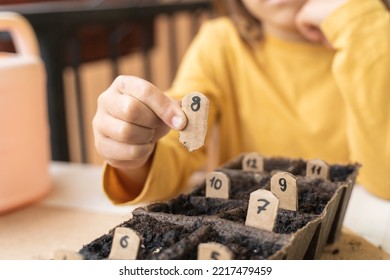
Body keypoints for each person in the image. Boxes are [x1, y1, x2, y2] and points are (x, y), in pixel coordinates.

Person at [92, 0, 390, 205]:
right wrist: (134, 155)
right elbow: (177, 145)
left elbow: (385, 182)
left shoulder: (375, 34)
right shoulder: (221, 44)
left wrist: (363, 23)